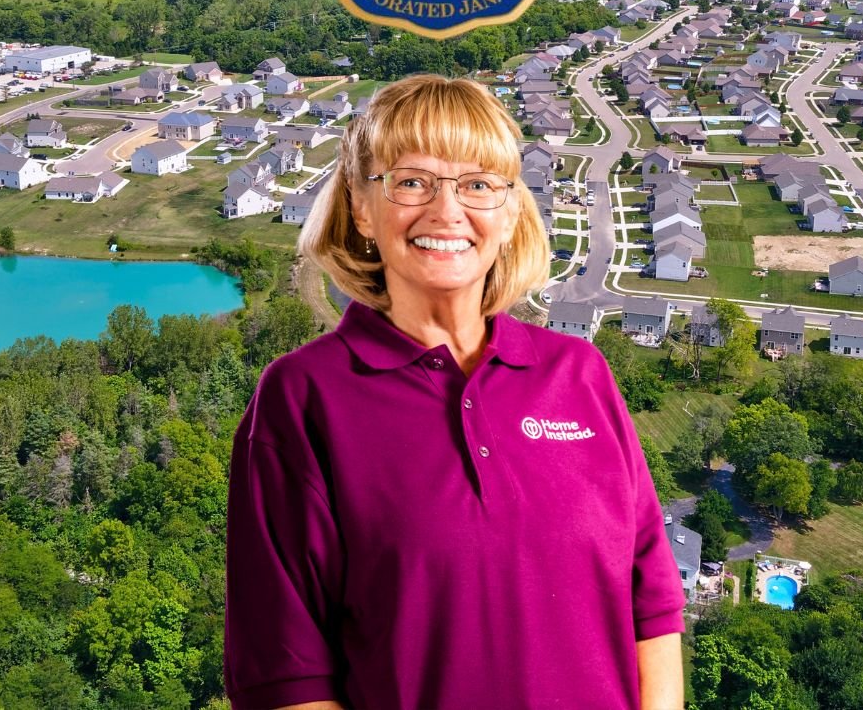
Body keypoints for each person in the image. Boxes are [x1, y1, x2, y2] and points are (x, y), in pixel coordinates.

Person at [224, 75, 685, 710]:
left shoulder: (579, 374)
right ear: (361, 205)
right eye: (411, 181)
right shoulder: (303, 398)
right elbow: (283, 674)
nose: (447, 213)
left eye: (477, 185)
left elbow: (653, 604)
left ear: (509, 209)